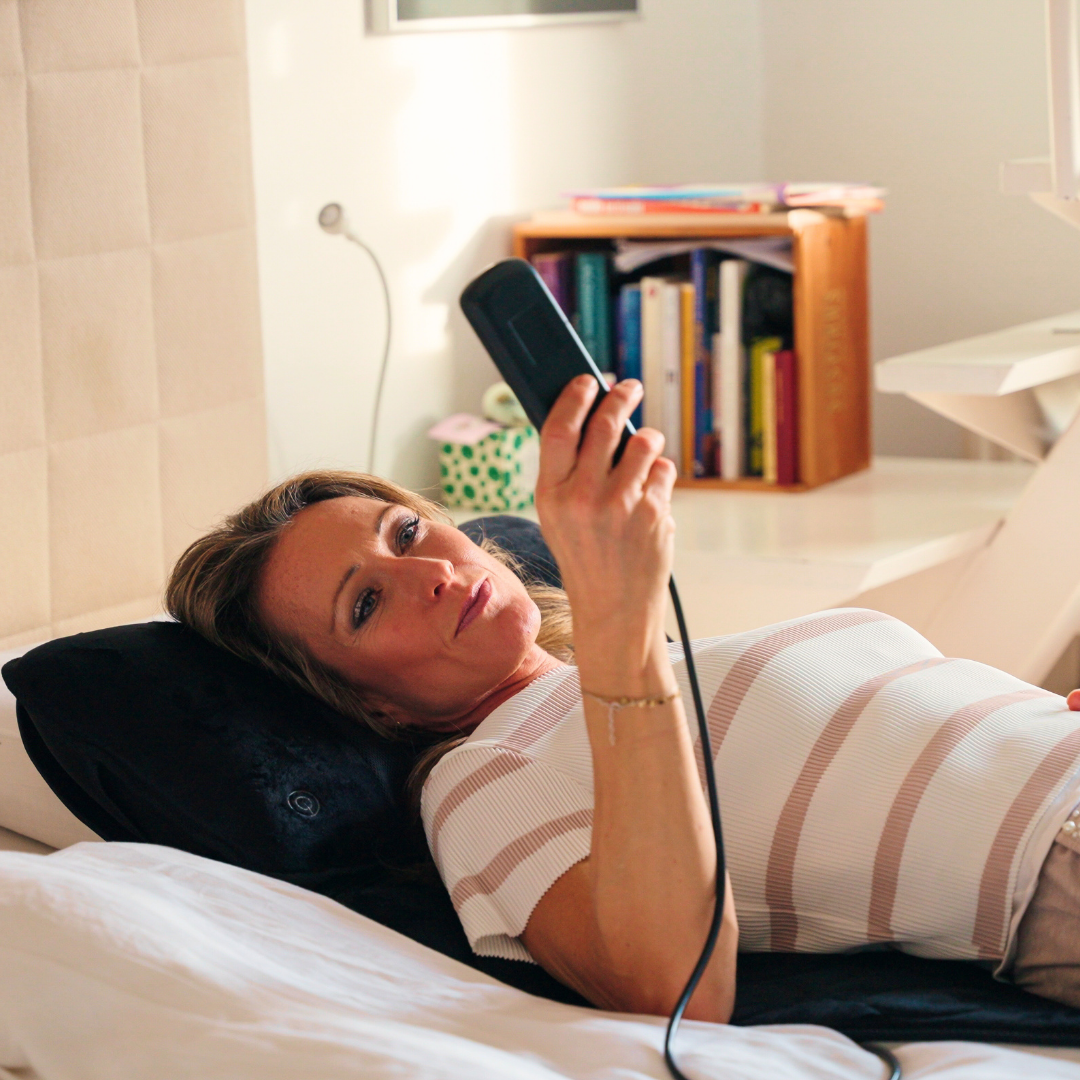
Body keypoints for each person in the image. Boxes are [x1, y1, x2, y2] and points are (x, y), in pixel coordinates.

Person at [167, 376, 1080, 1023]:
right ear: (373, 708)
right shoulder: (481, 779)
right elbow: (671, 984)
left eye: (407, 533)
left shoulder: (667, 657)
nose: (429, 574)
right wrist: (619, 618)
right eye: (366, 603)